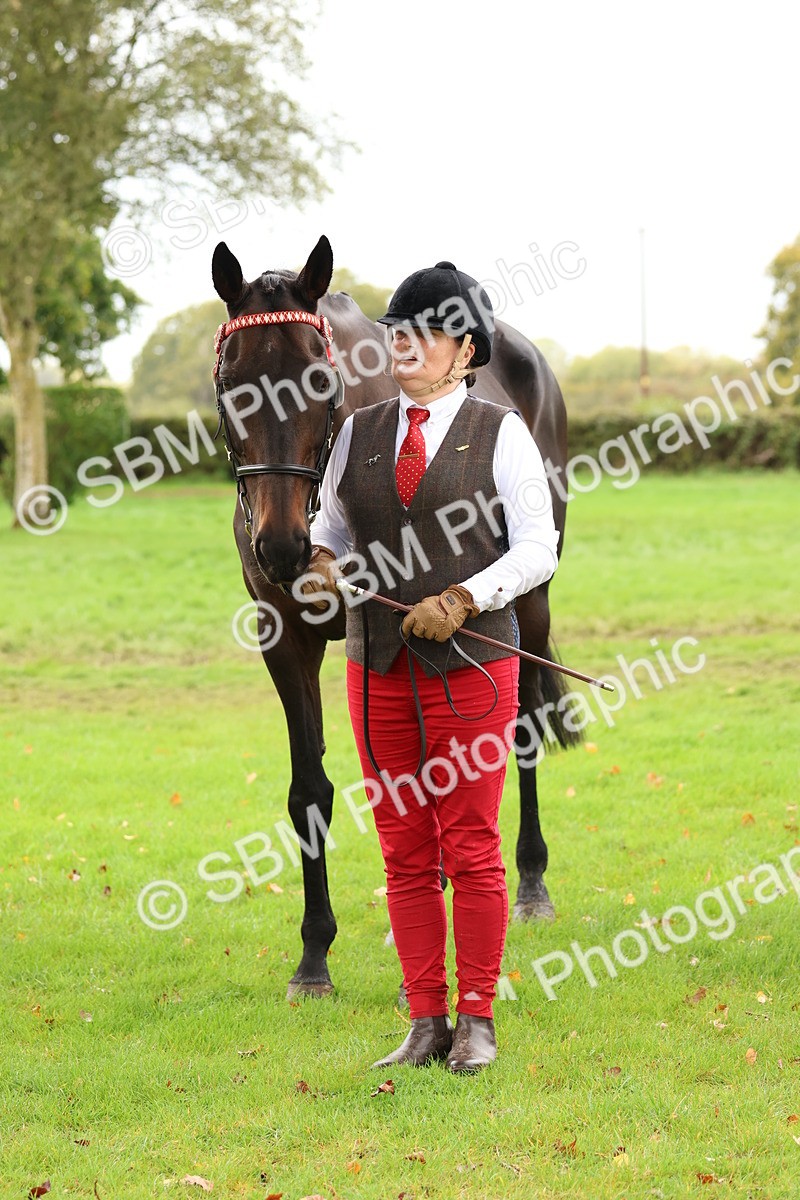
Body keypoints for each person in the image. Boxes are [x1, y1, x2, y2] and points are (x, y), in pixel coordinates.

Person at [300, 261, 559, 1073]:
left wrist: (465, 597)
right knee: (403, 848)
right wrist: (319, 558)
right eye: (395, 331)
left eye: (424, 333)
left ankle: (477, 1018)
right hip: (376, 665)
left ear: (465, 349)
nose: (403, 345)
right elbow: (334, 524)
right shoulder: (357, 432)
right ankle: (424, 1022)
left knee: (473, 843)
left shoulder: (502, 432)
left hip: (474, 667)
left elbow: (537, 548)